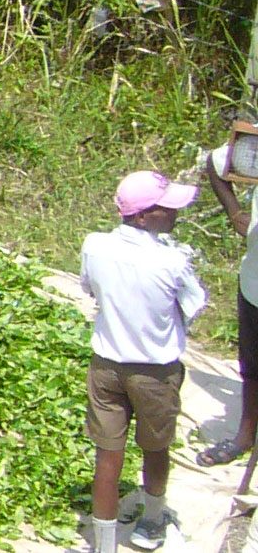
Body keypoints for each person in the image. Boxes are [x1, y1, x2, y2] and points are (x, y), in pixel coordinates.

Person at [75, 171, 203, 553]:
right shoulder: (172, 260)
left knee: (108, 458)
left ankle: (104, 544)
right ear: (144, 217)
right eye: (167, 209)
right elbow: (193, 306)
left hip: (106, 368)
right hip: (155, 372)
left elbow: (88, 288)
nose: (175, 214)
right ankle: (151, 521)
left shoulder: (95, 245)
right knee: (155, 447)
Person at [198, 145, 258, 467]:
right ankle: (245, 436)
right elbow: (216, 163)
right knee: (252, 366)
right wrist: (236, 214)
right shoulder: (255, 146)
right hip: (256, 283)